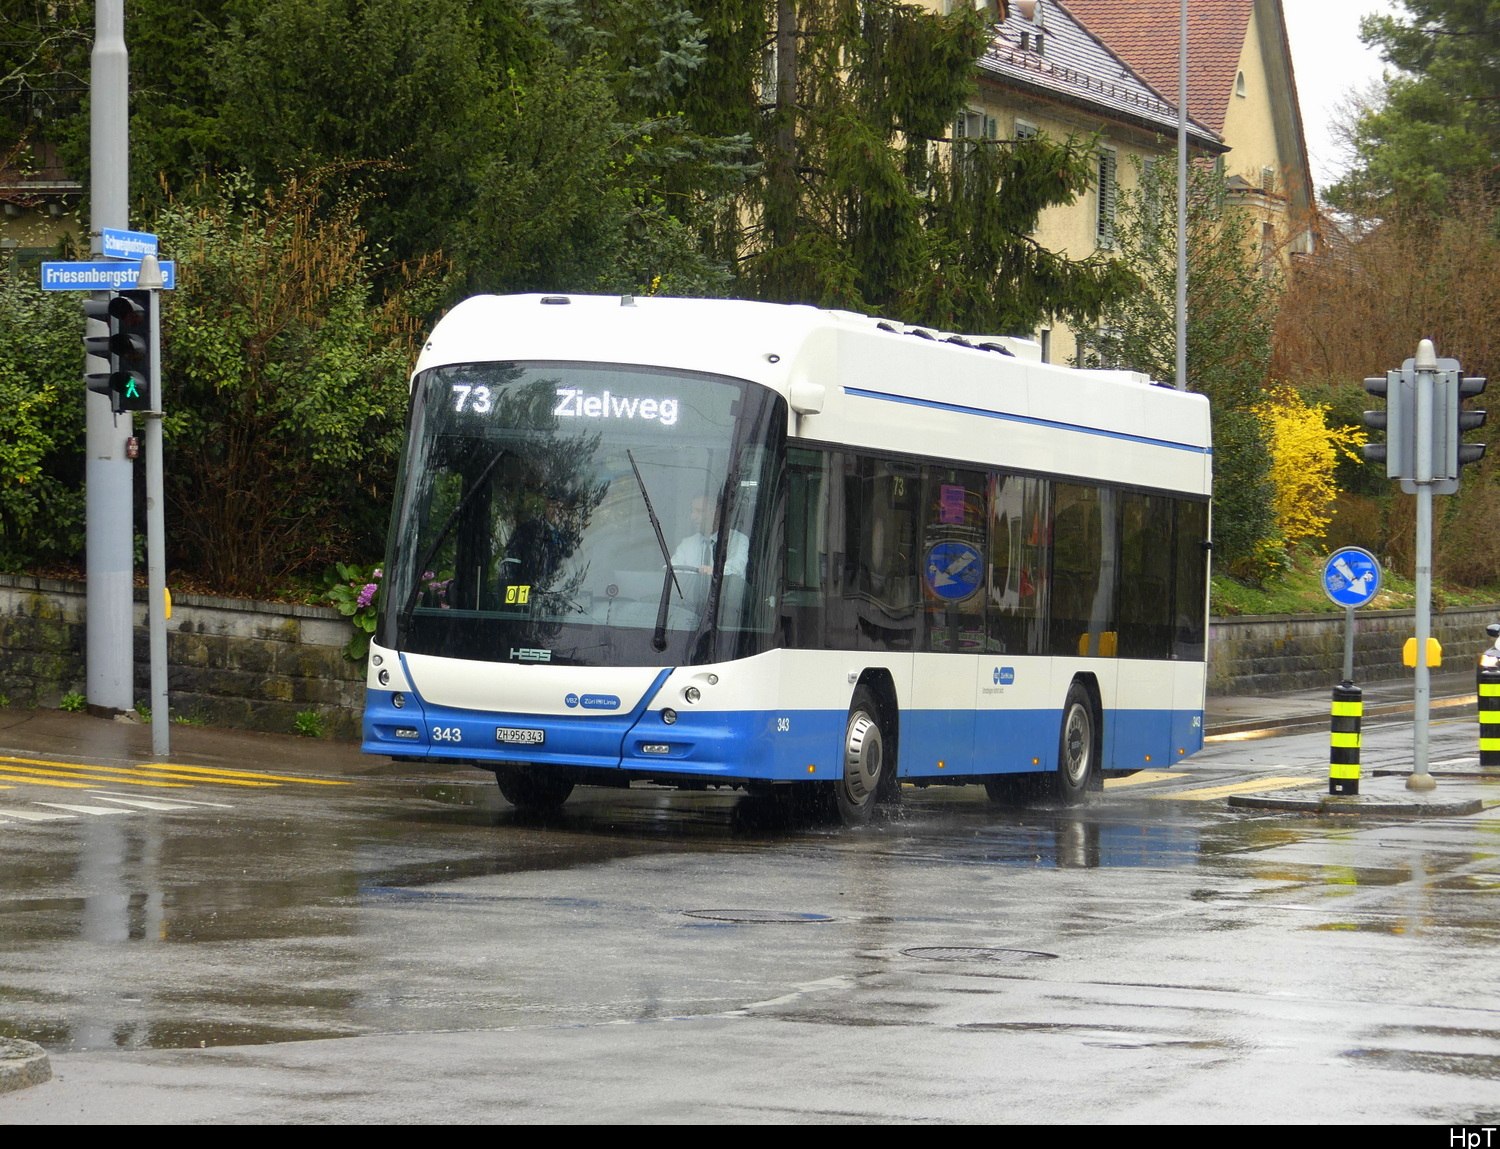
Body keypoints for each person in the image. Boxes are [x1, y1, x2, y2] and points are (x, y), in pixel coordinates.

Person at [670, 493, 748, 579]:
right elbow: (672, 570)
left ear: (716, 512)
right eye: (692, 511)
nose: (693, 516)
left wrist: (714, 572)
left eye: (699, 511)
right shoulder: (686, 544)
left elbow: (736, 568)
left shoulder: (737, 540)